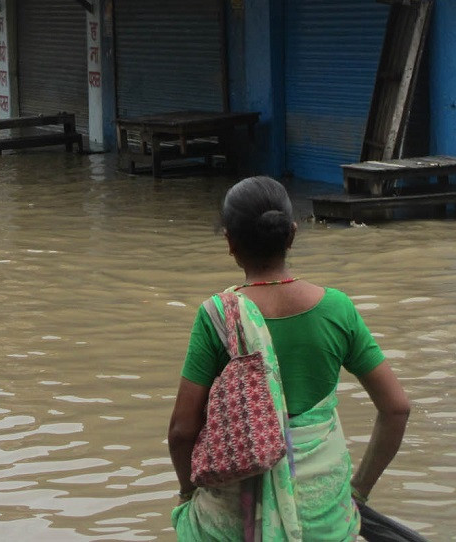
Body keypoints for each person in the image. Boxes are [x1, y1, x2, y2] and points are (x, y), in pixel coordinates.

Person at [167, 176, 410, 541]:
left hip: (235, 520)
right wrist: (356, 492)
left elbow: (183, 431)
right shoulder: (337, 309)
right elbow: (396, 408)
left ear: (230, 242)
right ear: (292, 234)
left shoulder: (218, 315)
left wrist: (188, 493)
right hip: (325, 514)